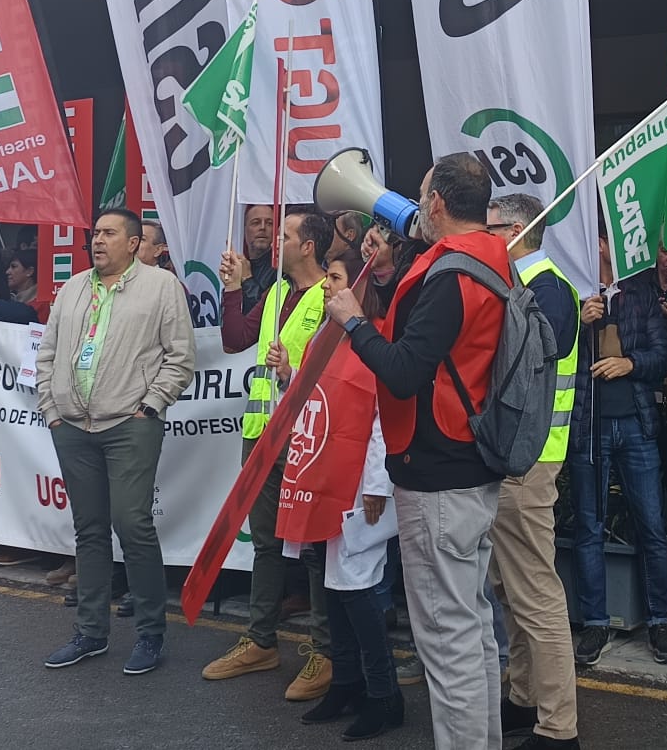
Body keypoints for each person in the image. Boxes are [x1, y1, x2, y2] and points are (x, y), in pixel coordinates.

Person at [325, 153, 512, 750]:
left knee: (446, 641)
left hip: (436, 478)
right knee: (472, 630)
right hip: (467, 467)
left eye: (421, 195)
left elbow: (404, 372)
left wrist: (355, 322)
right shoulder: (487, 259)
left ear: (435, 204)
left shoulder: (451, 279)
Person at [37, 207, 196, 676]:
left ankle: (150, 634)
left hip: (129, 424)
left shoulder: (161, 286)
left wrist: (150, 405)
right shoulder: (73, 287)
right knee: (88, 530)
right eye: (95, 234)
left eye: (109, 234)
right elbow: (47, 352)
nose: (98, 241)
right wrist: (52, 412)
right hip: (73, 427)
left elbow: (181, 355)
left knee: (132, 524)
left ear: (132, 243)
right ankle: (90, 633)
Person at [202, 207, 335, 696]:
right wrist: (235, 286)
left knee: (317, 549)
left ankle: (325, 652)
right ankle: (261, 642)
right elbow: (236, 339)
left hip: (306, 437)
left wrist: (292, 373)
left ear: (308, 246)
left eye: (284, 235)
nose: (272, 241)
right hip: (262, 432)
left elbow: (340, 372)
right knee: (265, 544)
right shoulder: (278, 290)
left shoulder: (331, 296)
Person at [483, 193, 580, 750]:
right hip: (522, 455)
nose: (484, 236)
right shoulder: (533, 287)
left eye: (492, 227)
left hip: (530, 458)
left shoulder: (545, 290)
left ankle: (557, 726)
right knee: (512, 586)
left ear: (517, 230)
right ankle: (524, 697)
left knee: (535, 592)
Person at [303, 241, 408, 741]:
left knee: (360, 588)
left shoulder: (377, 338)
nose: (326, 286)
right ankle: (347, 682)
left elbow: (385, 418)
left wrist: (377, 483)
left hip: (360, 486)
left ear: (360, 288)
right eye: (326, 276)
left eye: (337, 278)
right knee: (334, 585)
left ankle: (385, 695)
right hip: (326, 478)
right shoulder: (325, 338)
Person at [568, 237, 667, 669]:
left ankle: (659, 620)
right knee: (589, 527)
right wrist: (578, 323)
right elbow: (548, 349)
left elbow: (663, 353)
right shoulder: (572, 289)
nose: (598, 245)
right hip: (587, 425)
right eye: (594, 237)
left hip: (635, 423)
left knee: (651, 524)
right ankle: (595, 622)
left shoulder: (640, 291)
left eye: (603, 238)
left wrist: (630, 363)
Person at [219, 204, 279, 350]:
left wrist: (247, 279)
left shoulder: (281, 268)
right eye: (256, 222)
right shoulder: (236, 266)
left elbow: (266, 316)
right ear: (245, 229)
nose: (263, 228)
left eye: (269, 223)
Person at [0, 245, 41, 324]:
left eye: (14, 266)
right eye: (8, 267)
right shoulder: (10, 300)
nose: (7, 272)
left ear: (29, 271)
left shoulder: (43, 304)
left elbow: (27, 316)